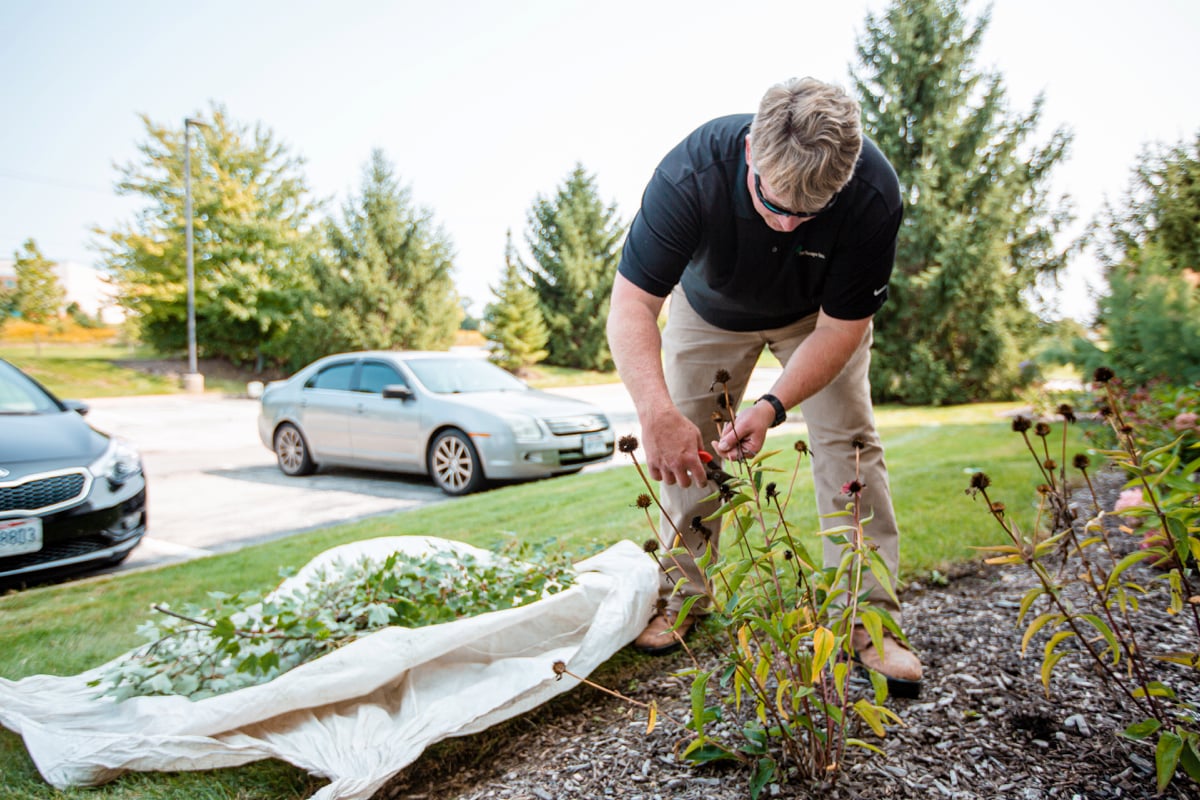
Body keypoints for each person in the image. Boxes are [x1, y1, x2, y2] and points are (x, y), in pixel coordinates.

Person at [606, 77, 923, 691]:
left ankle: (869, 621)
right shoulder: (691, 173)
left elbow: (842, 327)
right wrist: (655, 411)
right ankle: (683, 594)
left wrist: (773, 405)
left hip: (817, 320)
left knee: (849, 443)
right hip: (709, 313)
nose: (786, 226)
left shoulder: (872, 194)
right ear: (751, 152)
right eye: (773, 204)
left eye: (806, 215)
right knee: (686, 448)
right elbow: (629, 308)